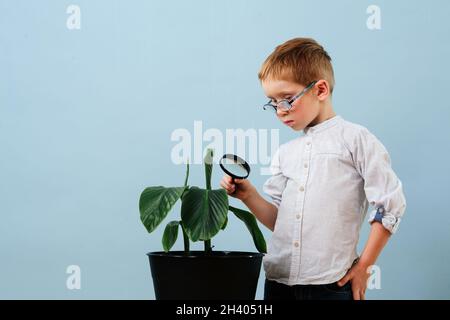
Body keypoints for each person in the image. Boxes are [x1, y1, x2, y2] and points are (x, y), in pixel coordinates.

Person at [220, 38, 406, 300]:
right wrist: (248, 196)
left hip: (330, 285)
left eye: (286, 99)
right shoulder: (286, 154)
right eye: (272, 102)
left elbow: (390, 205)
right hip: (278, 283)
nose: (280, 111)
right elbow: (282, 222)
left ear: (320, 90)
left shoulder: (356, 140)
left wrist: (364, 266)